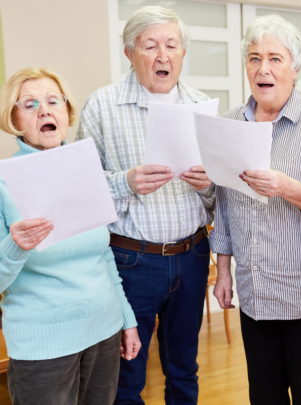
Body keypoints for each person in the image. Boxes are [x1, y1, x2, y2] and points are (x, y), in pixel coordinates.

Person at [75, 6, 214, 404]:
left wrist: (208, 185)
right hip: (131, 262)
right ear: (129, 53)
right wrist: (127, 182)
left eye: (171, 45)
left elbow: (218, 198)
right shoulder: (102, 106)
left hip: (191, 257)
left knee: (184, 369)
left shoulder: (202, 107)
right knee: (127, 376)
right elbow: (82, 190)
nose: (162, 55)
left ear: (183, 53)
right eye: (150, 46)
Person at [211, 14, 301, 405]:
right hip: (256, 293)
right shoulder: (230, 124)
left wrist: (286, 187)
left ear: (295, 68)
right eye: (254, 58)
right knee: (264, 396)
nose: (263, 68)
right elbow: (224, 203)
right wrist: (223, 271)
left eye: (275, 58)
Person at [0, 67, 140, 405]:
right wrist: (15, 246)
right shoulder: (4, 182)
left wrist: (127, 319)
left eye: (53, 101)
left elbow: (102, 254)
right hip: (43, 346)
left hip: (103, 332)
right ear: (14, 118)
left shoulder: (85, 169)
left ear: (67, 112)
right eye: (30, 104)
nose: (45, 110)